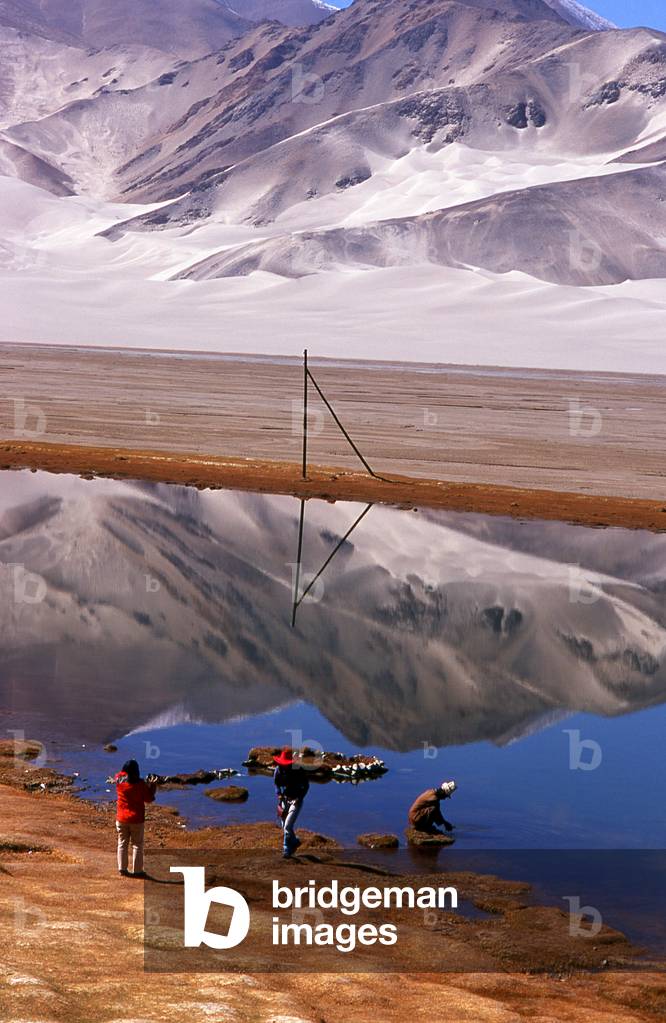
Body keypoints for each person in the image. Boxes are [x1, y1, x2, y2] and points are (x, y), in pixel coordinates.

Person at [114, 759, 157, 878]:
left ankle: (122, 869)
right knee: (137, 844)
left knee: (122, 843)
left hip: (121, 818)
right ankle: (137, 870)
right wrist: (152, 785)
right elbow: (149, 798)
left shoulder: (119, 780)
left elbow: (120, 774)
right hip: (136, 819)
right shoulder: (140, 785)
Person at [273, 748, 310, 859]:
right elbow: (276, 785)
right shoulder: (278, 771)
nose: (283, 765)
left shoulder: (299, 771)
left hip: (296, 800)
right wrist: (279, 794)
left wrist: (300, 797)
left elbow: (306, 786)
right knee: (284, 826)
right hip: (284, 799)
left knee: (288, 826)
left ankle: (286, 849)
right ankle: (294, 841)